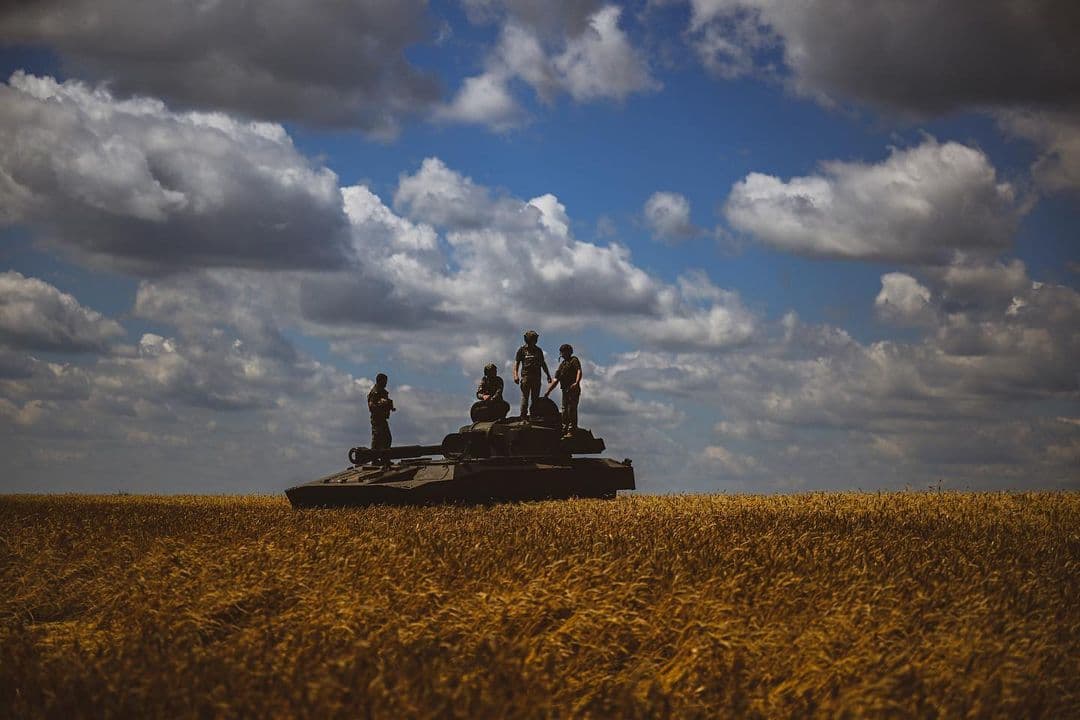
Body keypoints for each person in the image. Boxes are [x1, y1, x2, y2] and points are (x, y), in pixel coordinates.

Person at [544, 343, 582, 436]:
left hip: (573, 389)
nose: (562, 355)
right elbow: (556, 380)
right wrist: (548, 391)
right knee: (564, 410)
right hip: (565, 390)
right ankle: (564, 428)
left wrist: (576, 383)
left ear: (568, 352)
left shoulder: (574, 360)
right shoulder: (562, 365)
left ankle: (571, 429)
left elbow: (579, 371)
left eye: (564, 352)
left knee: (571, 410)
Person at [513, 329, 551, 419]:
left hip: (536, 377)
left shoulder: (538, 350)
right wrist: (515, 375)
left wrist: (548, 375)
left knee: (535, 399)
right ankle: (523, 416)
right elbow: (516, 363)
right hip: (526, 376)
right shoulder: (522, 350)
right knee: (525, 397)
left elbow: (543, 363)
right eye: (533, 339)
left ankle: (533, 415)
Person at [367, 373, 395, 450]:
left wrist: (389, 406)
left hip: (382, 419)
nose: (386, 383)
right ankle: (374, 458)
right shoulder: (375, 392)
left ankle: (385, 458)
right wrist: (380, 405)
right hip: (377, 419)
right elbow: (371, 406)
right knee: (377, 438)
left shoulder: (383, 392)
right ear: (380, 381)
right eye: (385, 381)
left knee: (387, 438)